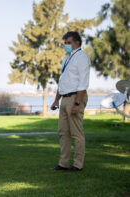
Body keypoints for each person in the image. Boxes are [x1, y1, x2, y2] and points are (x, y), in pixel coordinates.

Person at [50, 31, 90, 172]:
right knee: (63, 132)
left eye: (69, 43)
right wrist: (56, 100)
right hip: (64, 98)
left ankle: (77, 165)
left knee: (76, 133)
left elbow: (83, 82)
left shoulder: (82, 57)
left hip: (75, 98)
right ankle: (63, 163)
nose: (66, 45)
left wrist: (77, 103)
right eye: (65, 43)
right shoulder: (66, 58)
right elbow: (63, 81)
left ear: (77, 43)